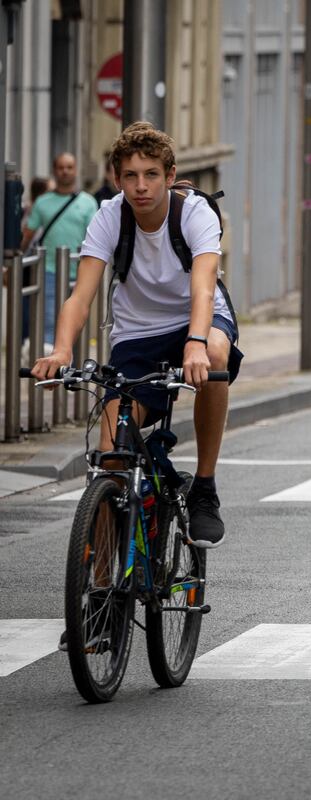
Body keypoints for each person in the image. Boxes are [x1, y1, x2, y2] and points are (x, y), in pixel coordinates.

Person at [32, 121, 243, 550]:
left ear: (170, 176)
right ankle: (105, 585)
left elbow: (203, 287)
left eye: (150, 175)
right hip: (137, 334)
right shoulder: (110, 216)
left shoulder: (195, 214)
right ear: (116, 178)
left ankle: (204, 486)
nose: (140, 186)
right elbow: (80, 296)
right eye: (130, 175)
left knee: (216, 358)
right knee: (111, 456)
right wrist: (60, 349)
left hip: (197, 323)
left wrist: (196, 343)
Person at [20, 153, 100, 346]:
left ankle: (70, 367)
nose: (65, 171)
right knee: (49, 322)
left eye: (69, 167)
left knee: (77, 322)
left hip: (81, 272)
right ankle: (53, 370)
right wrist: (13, 261)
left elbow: (96, 238)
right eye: (61, 167)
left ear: (76, 171)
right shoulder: (42, 202)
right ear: (54, 171)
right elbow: (27, 236)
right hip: (48, 271)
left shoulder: (88, 202)